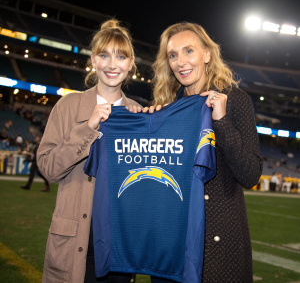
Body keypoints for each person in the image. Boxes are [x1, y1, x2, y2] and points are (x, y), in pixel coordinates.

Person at [143, 22, 263, 282]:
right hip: (174, 243)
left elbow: (251, 174)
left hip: (220, 245)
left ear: (207, 54)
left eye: (189, 51)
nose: (180, 62)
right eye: (173, 55)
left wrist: (220, 122)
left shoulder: (234, 100)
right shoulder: (167, 109)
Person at [37, 19, 142, 283]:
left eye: (121, 57)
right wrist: (88, 127)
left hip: (119, 248)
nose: (112, 65)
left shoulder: (138, 114)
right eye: (104, 55)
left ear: (130, 64)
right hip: (74, 246)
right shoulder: (69, 105)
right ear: (93, 60)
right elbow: (48, 168)